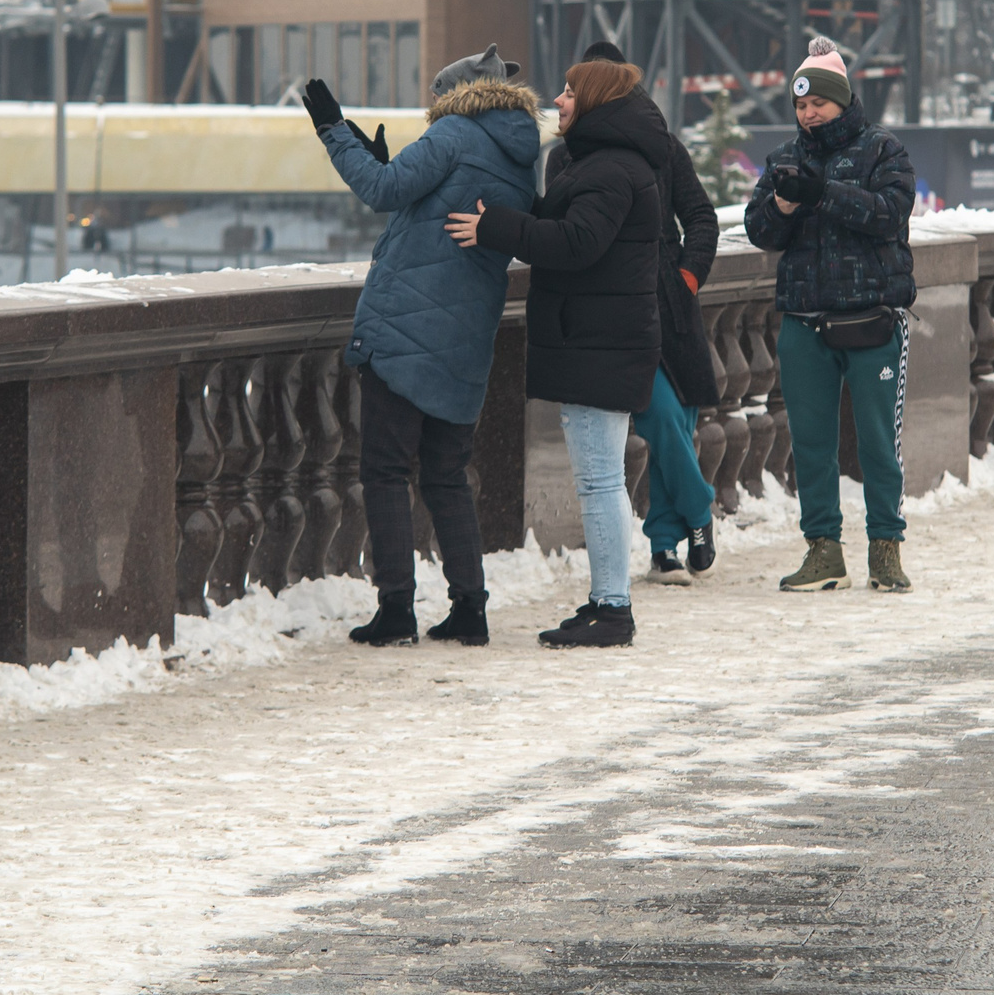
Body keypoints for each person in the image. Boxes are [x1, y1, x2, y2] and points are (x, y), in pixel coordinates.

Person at [304, 45, 541, 649]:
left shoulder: (456, 133)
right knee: (445, 475)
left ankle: (396, 610)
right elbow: (439, 206)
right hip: (467, 336)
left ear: (455, 95)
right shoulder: (518, 155)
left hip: (407, 329)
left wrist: (335, 131)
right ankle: (470, 607)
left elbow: (380, 190)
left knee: (384, 471)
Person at [449, 57, 668, 648]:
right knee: (603, 480)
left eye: (571, 92)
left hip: (599, 343)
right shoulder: (600, 161)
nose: (560, 99)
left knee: (599, 482)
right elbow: (557, 220)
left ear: (595, 102)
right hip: (599, 339)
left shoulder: (610, 169)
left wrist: (494, 228)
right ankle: (605, 600)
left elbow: (573, 243)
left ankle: (614, 609)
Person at [741, 38, 918, 594]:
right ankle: (823, 550)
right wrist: (783, 205)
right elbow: (758, 231)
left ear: (842, 100)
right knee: (810, 443)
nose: (808, 113)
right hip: (803, 322)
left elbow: (888, 214)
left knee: (875, 443)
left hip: (871, 320)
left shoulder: (883, 151)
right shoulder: (784, 160)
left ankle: (886, 548)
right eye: (799, 105)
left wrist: (822, 193)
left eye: (817, 102)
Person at [578, 41, 721, 584]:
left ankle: (664, 547)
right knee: (661, 417)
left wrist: (686, 277)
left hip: (669, 305)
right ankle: (701, 509)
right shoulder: (568, 154)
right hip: (616, 310)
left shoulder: (664, 147)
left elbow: (702, 218)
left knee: (677, 420)